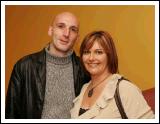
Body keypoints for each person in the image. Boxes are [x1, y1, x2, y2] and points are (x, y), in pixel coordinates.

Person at [5, 12, 90, 119]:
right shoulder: (24, 66)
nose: (66, 33)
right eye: (60, 26)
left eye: (73, 29)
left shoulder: (85, 68)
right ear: (50, 30)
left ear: (77, 38)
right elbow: (11, 113)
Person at [70, 30, 155, 119]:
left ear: (109, 56)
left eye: (99, 52)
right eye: (87, 52)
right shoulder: (84, 88)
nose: (91, 58)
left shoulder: (124, 88)